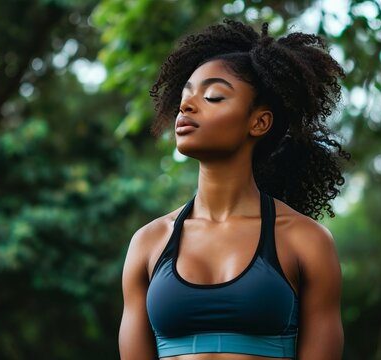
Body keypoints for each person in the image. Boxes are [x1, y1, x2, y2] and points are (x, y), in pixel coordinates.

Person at [119, 19, 349, 360]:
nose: (186, 106)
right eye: (185, 96)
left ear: (259, 122)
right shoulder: (148, 244)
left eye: (213, 96)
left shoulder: (305, 241)